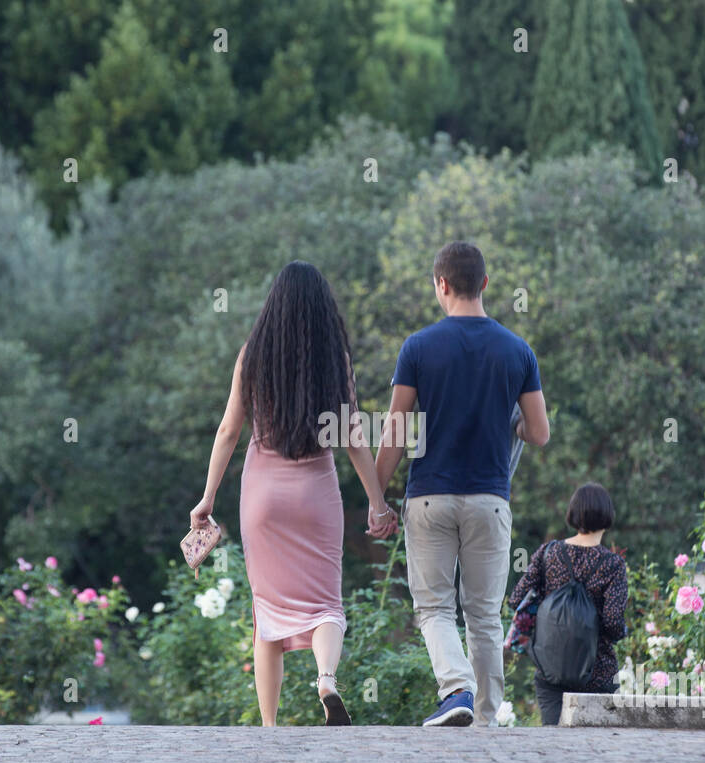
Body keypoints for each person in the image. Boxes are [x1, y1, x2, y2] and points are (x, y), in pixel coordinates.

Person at [191, 261, 397, 727]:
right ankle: (326, 678)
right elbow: (353, 437)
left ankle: (269, 726)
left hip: (262, 498)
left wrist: (207, 498)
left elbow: (227, 430)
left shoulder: (252, 356)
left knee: (266, 612)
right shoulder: (334, 361)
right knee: (326, 604)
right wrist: (377, 502)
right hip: (315, 496)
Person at [373, 241, 549, 727]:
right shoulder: (518, 350)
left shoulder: (418, 347)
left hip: (428, 497)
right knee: (485, 617)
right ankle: (488, 722)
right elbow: (539, 432)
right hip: (490, 501)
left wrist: (376, 498)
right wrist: (509, 424)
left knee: (433, 608)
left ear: (441, 285)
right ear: (486, 285)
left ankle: (456, 691)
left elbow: (395, 431)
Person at [509, 482, 628, 726]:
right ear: (607, 516)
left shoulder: (548, 552)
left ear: (573, 514)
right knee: (598, 744)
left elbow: (517, 598)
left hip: (550, 668)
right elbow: (613, 622)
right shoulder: (613, 565)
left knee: (553, 741)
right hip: (598, 670)